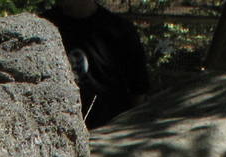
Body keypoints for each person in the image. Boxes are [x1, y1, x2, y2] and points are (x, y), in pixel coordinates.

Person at [40, 0, 153, 128]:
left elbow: (138, 92)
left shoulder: (120, 30)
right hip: (62, 130)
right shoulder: (43, 29)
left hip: (111, 132)